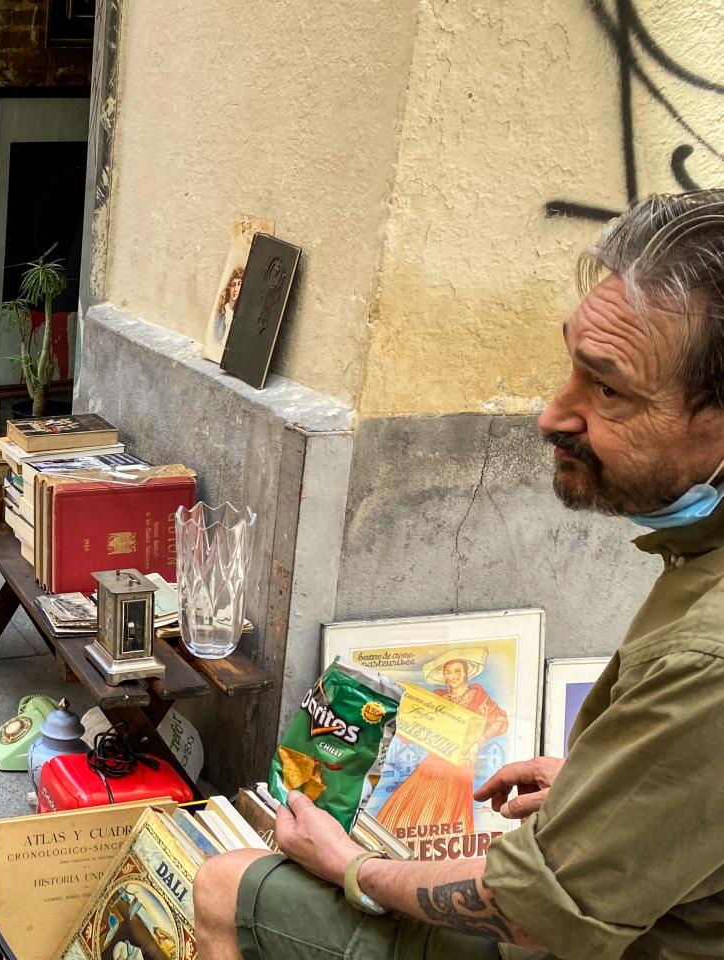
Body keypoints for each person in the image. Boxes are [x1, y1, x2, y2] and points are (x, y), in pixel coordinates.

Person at [192, 189, 724, 960]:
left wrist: (355, 869)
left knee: (226, 885)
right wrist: (605, 784)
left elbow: (532, 914)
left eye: (609, 388)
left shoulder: (707, 658)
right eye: (573, 364)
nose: (552, 413)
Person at [372, 652, 508, 839]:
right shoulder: (437, 698)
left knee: (452, 810)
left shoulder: (479, 697)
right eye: (448, 672)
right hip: (434, 761)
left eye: (457, 671)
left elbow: (500, 721)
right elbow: (414, 730)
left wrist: (478, 742)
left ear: (466, 673)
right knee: (411, 803)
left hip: (461, 765)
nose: (453, 676)